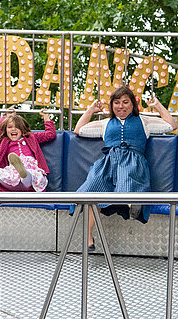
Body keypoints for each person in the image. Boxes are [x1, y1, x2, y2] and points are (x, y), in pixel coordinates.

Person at [70, 87, 177, 251]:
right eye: (117, 102)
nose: (121, 106)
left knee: (128, 175)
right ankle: (88, 237)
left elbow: (171, 125)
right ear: (112, 105)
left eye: (125, 102)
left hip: (132, 162)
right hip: (108, 165)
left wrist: (157, 106)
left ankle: (132, 204)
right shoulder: (105, 123)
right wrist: (91, 110)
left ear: (133, 104)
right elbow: (79, 130)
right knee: (91, 189)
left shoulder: (143, 121)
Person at [0, 110, 56, 192]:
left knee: (30, 175)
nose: (13, 129)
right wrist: (8, 115)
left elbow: (50, 134)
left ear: (23, 129)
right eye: (10, 127)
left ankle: (23, 172)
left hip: (30, 175)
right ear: (6, 130)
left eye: (17, 127)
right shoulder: (5, 140)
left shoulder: (31, 137)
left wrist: (46, 117)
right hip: (13, 171)